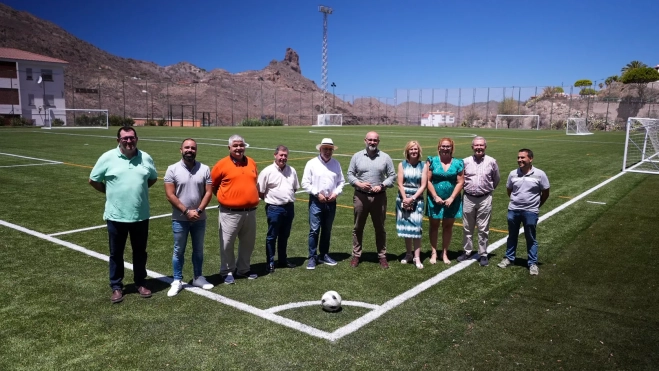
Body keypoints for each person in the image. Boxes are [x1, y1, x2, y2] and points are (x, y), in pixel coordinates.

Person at [89, 127, 158, 304]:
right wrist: (109, 192)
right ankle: (117, 287)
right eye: (125, 138)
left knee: (140, 252)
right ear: (118, 140)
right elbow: (93, 180)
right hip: (116, 215)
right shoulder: (107, 157)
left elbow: (152, 178)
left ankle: (141, 283)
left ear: (137, 139)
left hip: (140, 215)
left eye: (132, 138)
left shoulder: (146, 157)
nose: (129, 141)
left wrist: (138, 192)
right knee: (116, 253)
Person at [164, 138, 214, 297]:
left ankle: (198, 277)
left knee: (198, 250)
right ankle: (177, 280)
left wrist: (198, 210)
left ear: (196, 150)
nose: (189, 150)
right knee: (179, 250)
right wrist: (186, 211)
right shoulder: (172, 169)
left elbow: (208, 192)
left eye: (193, 148)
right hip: (180, 218)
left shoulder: (205, 168)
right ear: (181, 150)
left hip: (199, 218)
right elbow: (170, 195)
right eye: (187, 147)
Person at [211, 134, 259, 284]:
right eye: (235, 146)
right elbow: (212, 185)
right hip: (229, 213)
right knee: (227, 243)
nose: (239, 148)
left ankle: (243, 269)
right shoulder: (221, 164)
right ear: (229, 148)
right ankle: (226, 271)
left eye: (241, 145)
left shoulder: (251, 162)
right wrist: (227, 198)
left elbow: (254, 182)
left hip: (250, 212)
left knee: (248, 243)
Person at [346, 131, 396, 269]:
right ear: (365, 140)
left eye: (375, 140)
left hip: (379, 197)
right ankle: (356, 255)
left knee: (380, 228)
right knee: (358, 227)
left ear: (378, 142)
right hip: (360, 196)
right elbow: (350, 174)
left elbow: (392, 176)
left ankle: (382, 255)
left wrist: (381, 185)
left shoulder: (385, 157)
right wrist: (359, 183)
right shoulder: (357, 156)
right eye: (370, 140)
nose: (372, 142)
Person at [498, 148, 550, 276]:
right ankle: (509, 258)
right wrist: (515, 202)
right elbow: (509, 190)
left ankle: (532, 263)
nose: (519, 160)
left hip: (531, 211)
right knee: (512, 235)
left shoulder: (540, 174)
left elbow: (546, 193)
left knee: (530, 237)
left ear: (530, 159)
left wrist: (536, 206)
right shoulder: (513, 174)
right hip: (513, 210)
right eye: (518, 158)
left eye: (522, 158)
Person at [301, 138, 345, 270]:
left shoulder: (336, 164)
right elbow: (305, 183)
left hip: (331, 202)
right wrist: (316, 193)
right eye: (325, 149)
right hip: (316, 201)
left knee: (327, 230)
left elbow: (341, 182)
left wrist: (336, 193)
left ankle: (324, 254)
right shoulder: (311, 163)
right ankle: (312, 257)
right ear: (320, 149)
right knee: (314, 230)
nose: (327, 151)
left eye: (330, 149)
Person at [457, 136, 500, 267]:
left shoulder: (492, 161)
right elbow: (460, 179)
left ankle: (483, 254)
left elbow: (496, 179)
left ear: (485, 147)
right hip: (468, 197)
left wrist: (488, 191)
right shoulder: (465, 161)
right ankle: (467, 251)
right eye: (476, 145)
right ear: (472, 147)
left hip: (485, 198)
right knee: (467, 227)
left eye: (481, 145)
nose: (479, 148)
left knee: (483, 228)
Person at [257, 145, 300, 273]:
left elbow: (295, 188)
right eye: (281, 155)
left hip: (289, 207)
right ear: (275, 155)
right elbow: (260, 191)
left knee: (284, 236)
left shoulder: (292, 171)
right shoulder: (267, 171)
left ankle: (282, 260)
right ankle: (270, 262)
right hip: (274, 209)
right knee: (272, 236)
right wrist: (273, 201)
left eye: (285, 155)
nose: (283, 158)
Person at [426, 137, 464, 265]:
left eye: (448, 146)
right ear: (439, 147)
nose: (445, 148)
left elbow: (460, 182)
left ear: (452, 148)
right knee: (434, 226)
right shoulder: (432, 161)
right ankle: (434, 252)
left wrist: (452, 197)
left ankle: (445, 252)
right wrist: (435, 196)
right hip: (434, 199)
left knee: (448, 227)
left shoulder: (458, 163)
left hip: (452, 200)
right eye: (443, 146)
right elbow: (427, 180)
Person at [396, 140, 428, 269]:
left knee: (416, 229)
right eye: (411, 149)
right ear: (407, 151)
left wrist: (412, 199)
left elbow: (424, 185)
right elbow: (400, 183)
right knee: (406, 229)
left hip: (417, 199)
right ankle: (409, 254)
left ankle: (417, 257)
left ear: (419, 151)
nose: (414, 151)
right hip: (403, 199)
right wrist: (405, 199)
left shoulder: (424, 165)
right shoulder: (401, 165)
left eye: (416, 149)